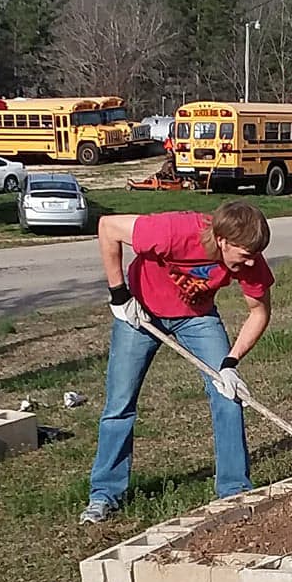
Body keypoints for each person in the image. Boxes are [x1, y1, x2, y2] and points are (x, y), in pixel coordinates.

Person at [82, 199, 273, 523]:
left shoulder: (250, 259)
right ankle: (104, 494)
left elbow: (260, 312)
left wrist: (230, 362)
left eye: (254, 254)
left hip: (196, 318)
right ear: (223, 240)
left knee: (228, 396)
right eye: (244, 255)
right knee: (120, 404)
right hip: (139, 314)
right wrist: (119, 295)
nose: (251, 261)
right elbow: (107, 227)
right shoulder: (175, 231)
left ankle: (234, 491)